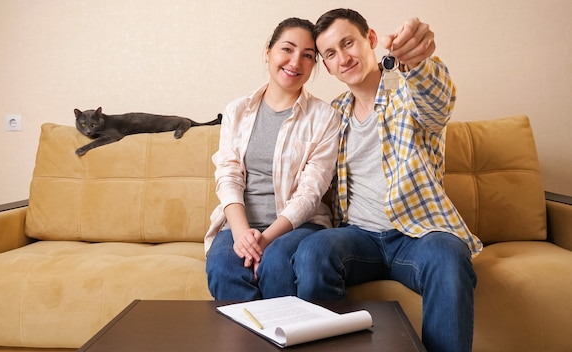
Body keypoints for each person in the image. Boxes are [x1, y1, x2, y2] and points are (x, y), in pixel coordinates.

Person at [292, 9, 483, 352]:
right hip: (358, 237)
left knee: (449, 256)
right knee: (312, 252)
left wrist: (419, 60)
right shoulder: (334, 113)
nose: (343, 58)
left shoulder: (406, 91)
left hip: (416, 235)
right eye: (330, 54)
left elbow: (437, 100)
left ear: (371, 39)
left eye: (348, 43)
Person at [204, 17, 340, 300]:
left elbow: (310, 192)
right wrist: (243, 235)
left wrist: (264, 241)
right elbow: (228, 175)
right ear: (268, 51)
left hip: (299, 225)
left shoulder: (326, 117)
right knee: (222, 266)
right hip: (241, 224)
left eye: (307, 56)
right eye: (287, 49)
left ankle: (286, 339)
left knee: (277, 263)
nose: (295, 62)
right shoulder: (236, 111)